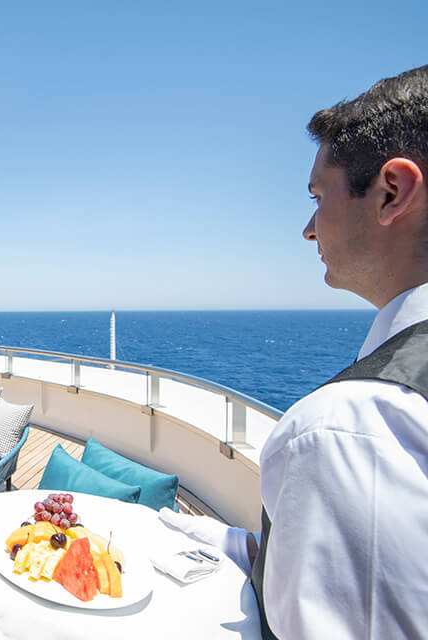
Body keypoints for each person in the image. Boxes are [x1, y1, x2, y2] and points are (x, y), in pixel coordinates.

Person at [164, 64, 428, 639]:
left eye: (318, 196)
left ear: (392, 191)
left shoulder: (351, 430)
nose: (309, 229)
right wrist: (224, 541)